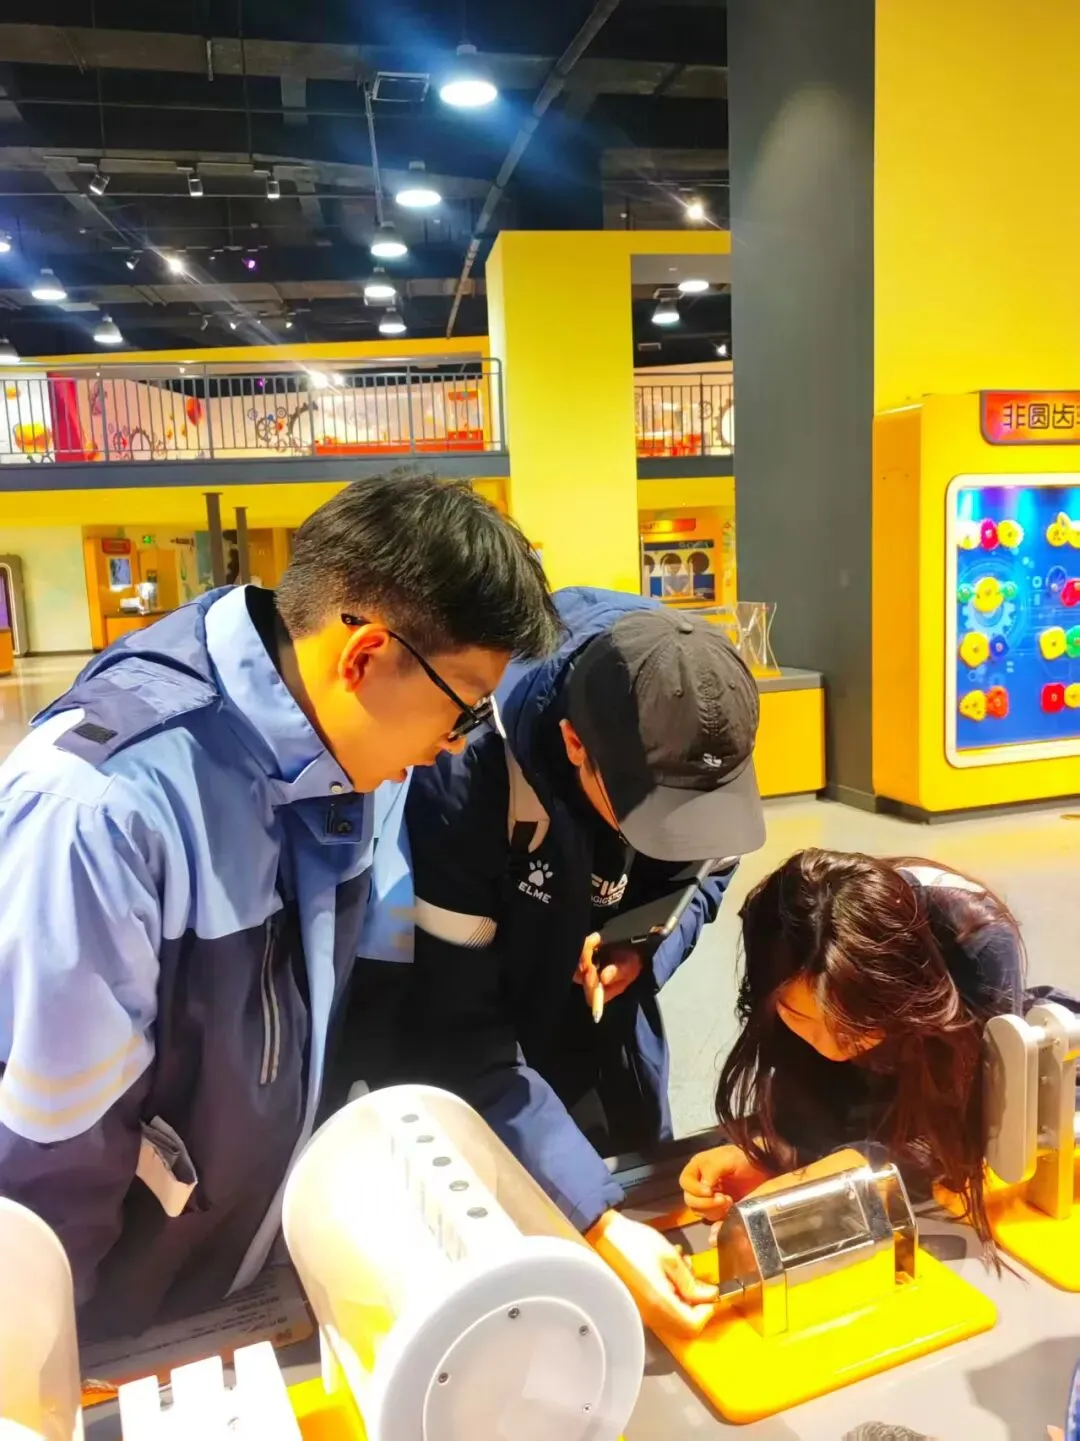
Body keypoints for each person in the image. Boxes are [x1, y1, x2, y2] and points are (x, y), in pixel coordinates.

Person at [0, 473, 559, 1342]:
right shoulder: (101, 808)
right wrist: (55, 1367)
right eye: (458, 709)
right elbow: (48, 1161)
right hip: (116, 1324)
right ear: (364, 657)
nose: (452, 747)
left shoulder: (349, 754)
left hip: (247, 1267)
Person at [358, 586, 765, 1333]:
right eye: (651, 815)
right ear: (575, 744)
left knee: (632, 1185)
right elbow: (457, 1031)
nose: (675, 837)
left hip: (608, 1034)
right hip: (487, 1052)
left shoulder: (703, 730)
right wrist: (597, 1222)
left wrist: (645, 948)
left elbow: (709, 871)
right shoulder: (466, 769)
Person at [678, 849, 1025, 1254]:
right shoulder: (781, 933)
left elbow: (966, 1136)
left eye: (853, 1028)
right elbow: (812, 1090)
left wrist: (819, 1187)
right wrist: (778, 1156)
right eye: (799, 1017)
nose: (830, 1047)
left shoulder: (978, 943)